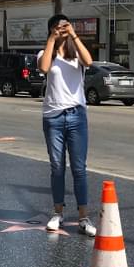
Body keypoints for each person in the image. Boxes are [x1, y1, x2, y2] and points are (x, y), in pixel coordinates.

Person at [38, 14, 97, 236]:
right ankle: (57, 212)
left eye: (64, 26)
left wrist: (74, 35)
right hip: (53, 116)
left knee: (79, 168)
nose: (61, 30)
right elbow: (44, 68)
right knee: (57, 166)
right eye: (57, 27)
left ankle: (84, 217)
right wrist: (52, 39)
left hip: (76, 115)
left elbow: (89, 61)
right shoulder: (46, 53)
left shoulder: (76, 54)